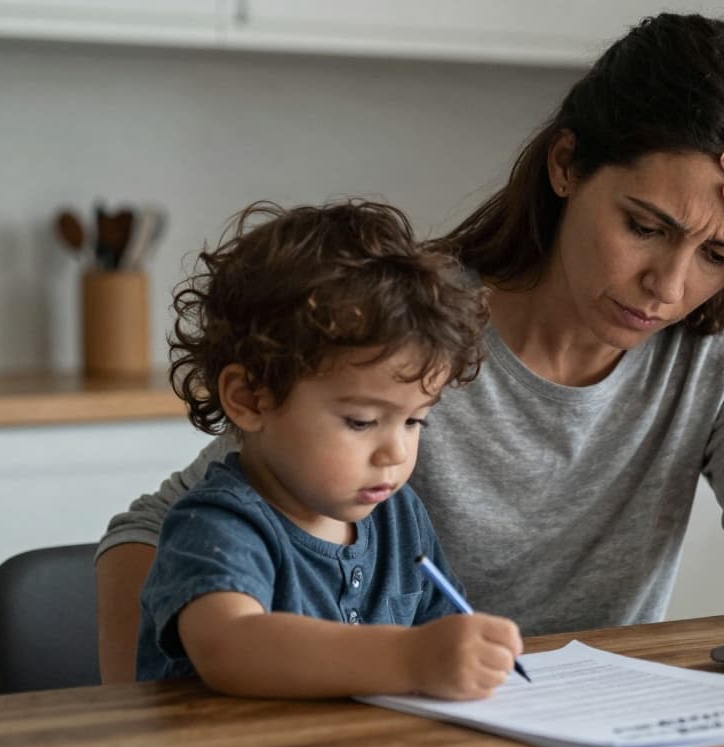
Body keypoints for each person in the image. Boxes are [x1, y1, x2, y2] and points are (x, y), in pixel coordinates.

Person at [97, 12, 724, 684]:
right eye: (644, 227)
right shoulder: (412, 327)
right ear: (566, 166)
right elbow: (163, 532)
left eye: (720, 253)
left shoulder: (710, 349)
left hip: (577, 724)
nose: (667, 287)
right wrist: (153, 717)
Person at [135, 200, 523, 699]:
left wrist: (465, 652)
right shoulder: (217, 524)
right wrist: (410, 658)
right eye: (361, 421)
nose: (394, 452)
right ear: (249, 398)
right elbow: (230, 646)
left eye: (414, 421)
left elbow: (440, 629)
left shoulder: (401, 517)